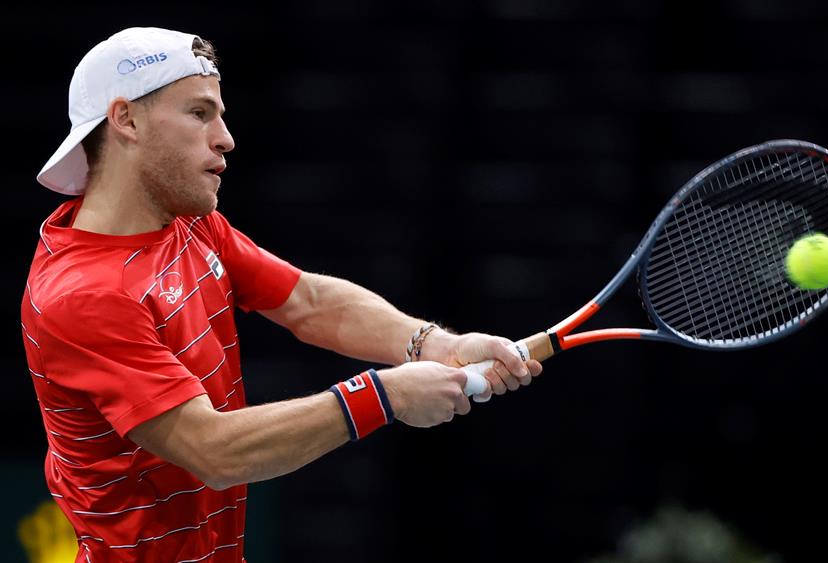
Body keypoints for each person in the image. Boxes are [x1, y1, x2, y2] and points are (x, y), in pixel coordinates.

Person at [22, 27, 542, 562]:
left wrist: (433, 344)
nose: (225, 138)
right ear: (125, 120)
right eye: (200, 114)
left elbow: (307, 301)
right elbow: (214, 450)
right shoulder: (84, 296)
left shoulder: (188, 225)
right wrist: (387, 395)